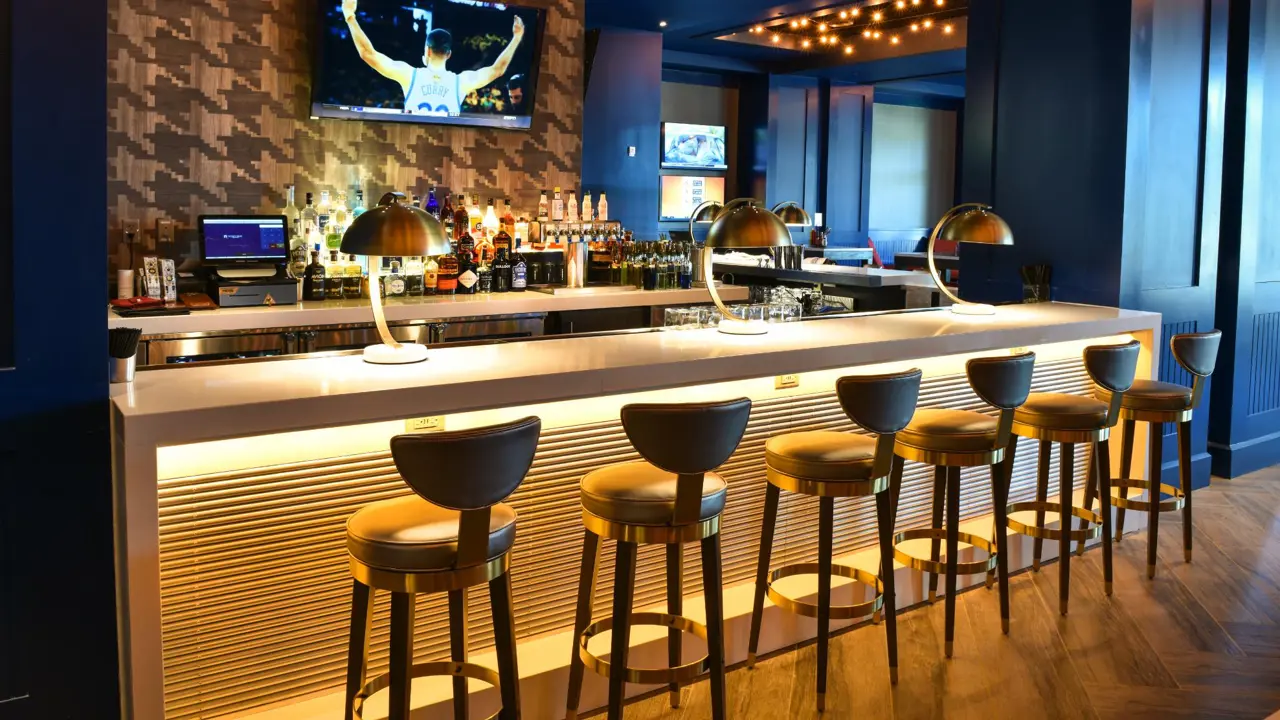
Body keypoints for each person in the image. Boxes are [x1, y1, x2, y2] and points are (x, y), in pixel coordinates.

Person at [342, 0, 525, 116]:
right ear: (449, 54)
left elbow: (367, 53)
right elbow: (498, 69)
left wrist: (350, 16)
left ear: (427, 52)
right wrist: (516, 37)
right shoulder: (460, 82)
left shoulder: (409, 75)